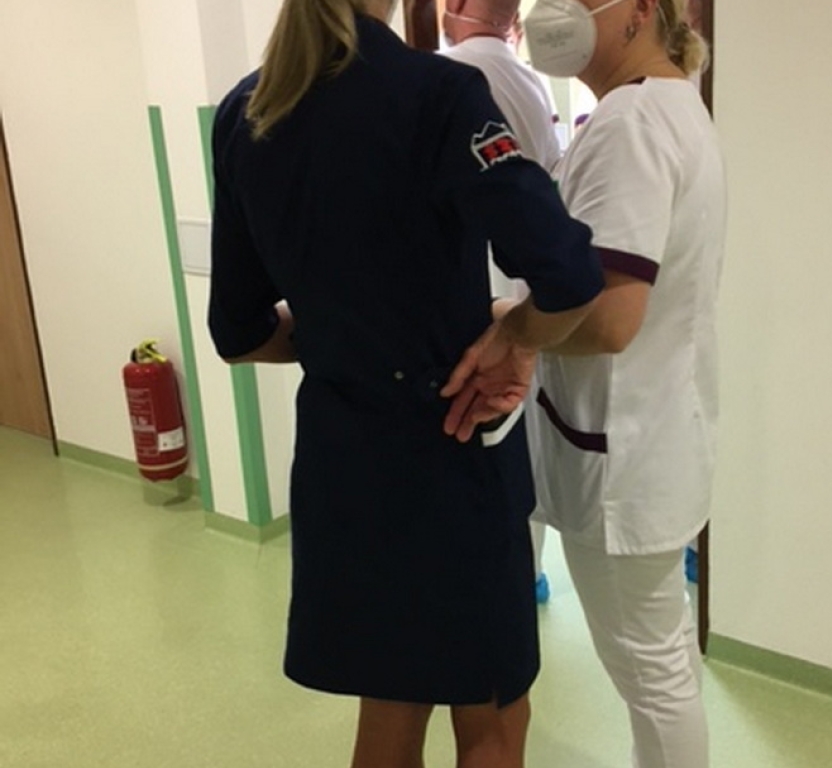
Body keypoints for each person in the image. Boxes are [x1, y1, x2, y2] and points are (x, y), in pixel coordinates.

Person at [206, 1, 604, 766]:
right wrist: (513, 335)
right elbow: (569, 274)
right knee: (489, 717)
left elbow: (239, 332)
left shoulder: (244, 113)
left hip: (343, 469)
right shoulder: (439, 95)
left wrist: (340, 340)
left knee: (389, 707)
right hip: (452, 448)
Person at [519, 0, 726, 765]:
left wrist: (509, 328)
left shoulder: (630, 122)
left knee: (652, 674)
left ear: (639, 11)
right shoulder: (673, 106)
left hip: (624, 456)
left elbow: (609, 321)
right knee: (663, 662)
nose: (552, 13)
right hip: (657, 433)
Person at [438, 0, 561, 604]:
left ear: (456, 5)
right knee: (521, 432)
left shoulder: (450, 75)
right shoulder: (531, 82)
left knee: (475, 426)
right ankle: (529, 572)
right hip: (528, 286)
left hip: (476, 289)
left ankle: (500, 577)